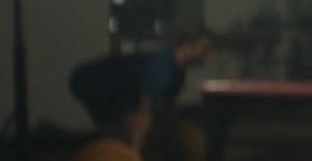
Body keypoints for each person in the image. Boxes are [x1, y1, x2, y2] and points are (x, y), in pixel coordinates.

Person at [68, 27, 212, 152]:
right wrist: (134, 154)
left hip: (118, 91)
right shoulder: (162, 67)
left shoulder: (178, 75)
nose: (207, 57)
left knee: (137, 128)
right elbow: (143, 113)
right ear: (186, 46)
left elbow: (170, 113)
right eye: (204, 50)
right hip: (92, 82)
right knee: (119, 134)